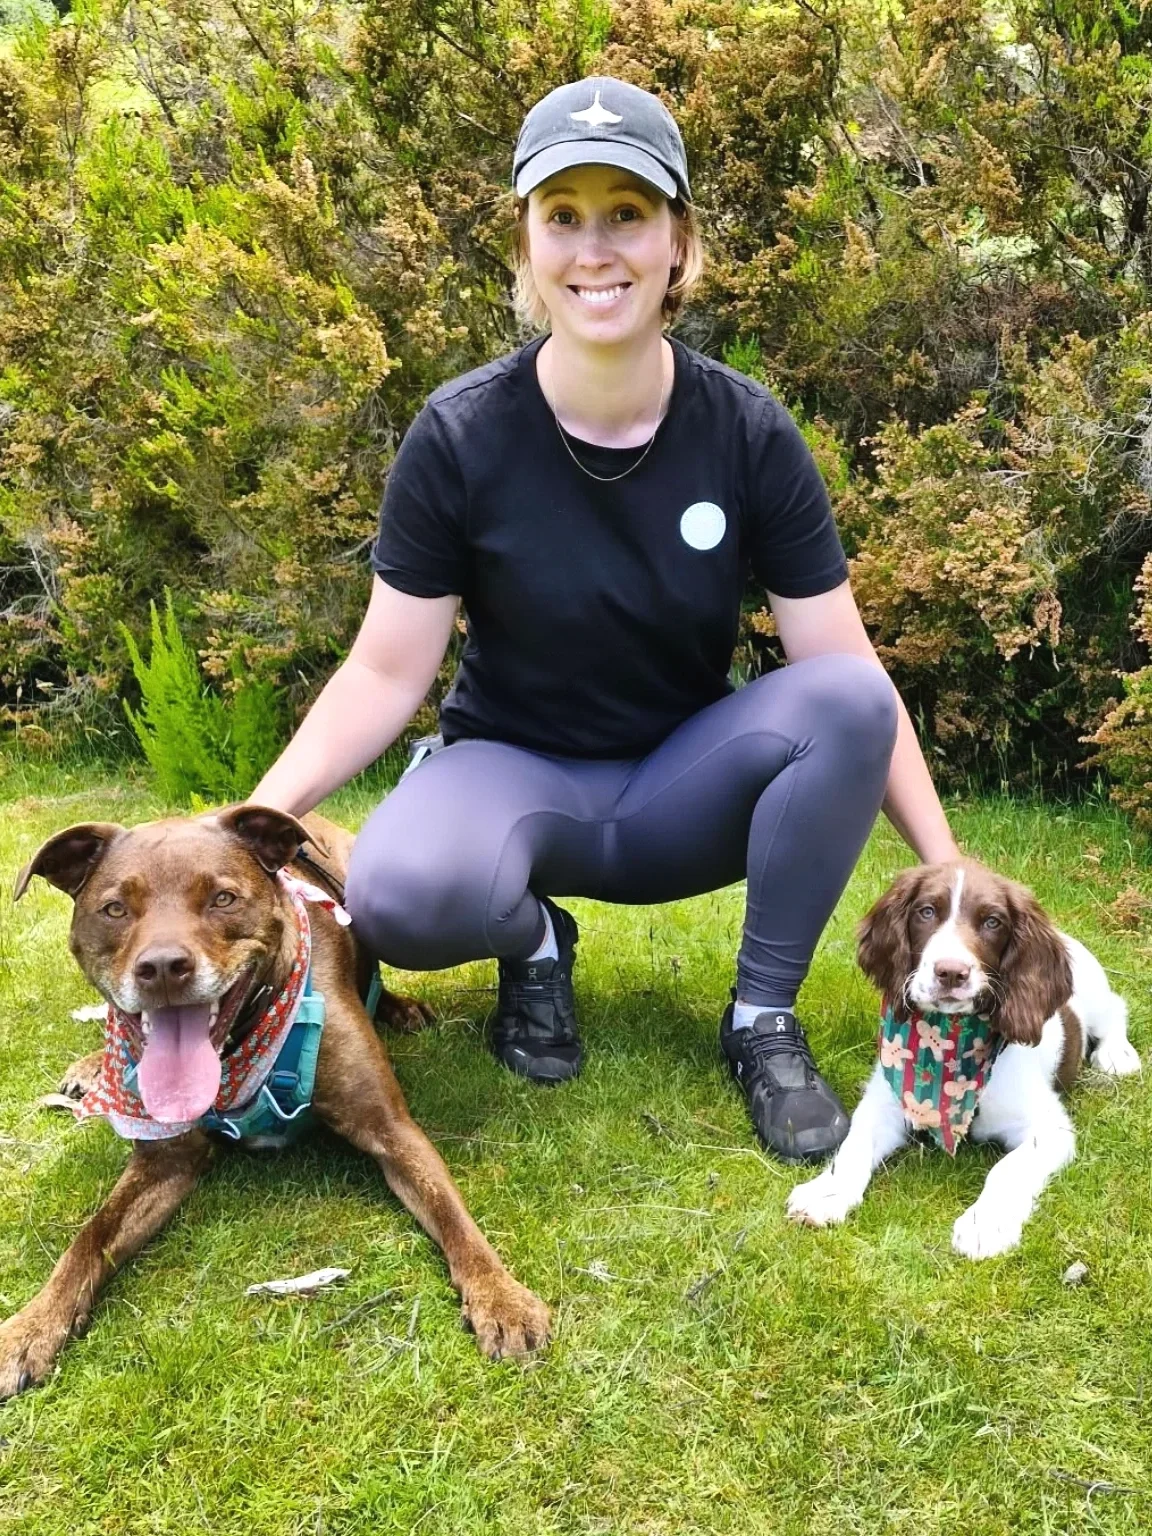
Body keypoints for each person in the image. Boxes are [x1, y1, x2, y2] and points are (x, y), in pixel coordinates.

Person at [251, 75, 960, 1165]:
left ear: (679, 241)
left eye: (627, 213)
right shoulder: (460, 436)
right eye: (564, 216)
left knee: (850, 698)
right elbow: (387, 674)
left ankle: (760, 1019)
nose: (597, 249)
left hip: (684, 787)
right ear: (528, 247)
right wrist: (257, 818)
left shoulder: (749, 433)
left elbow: (847, 676)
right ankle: (536, 950)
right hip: (514, 774)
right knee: (395, 891)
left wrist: (956, 882)